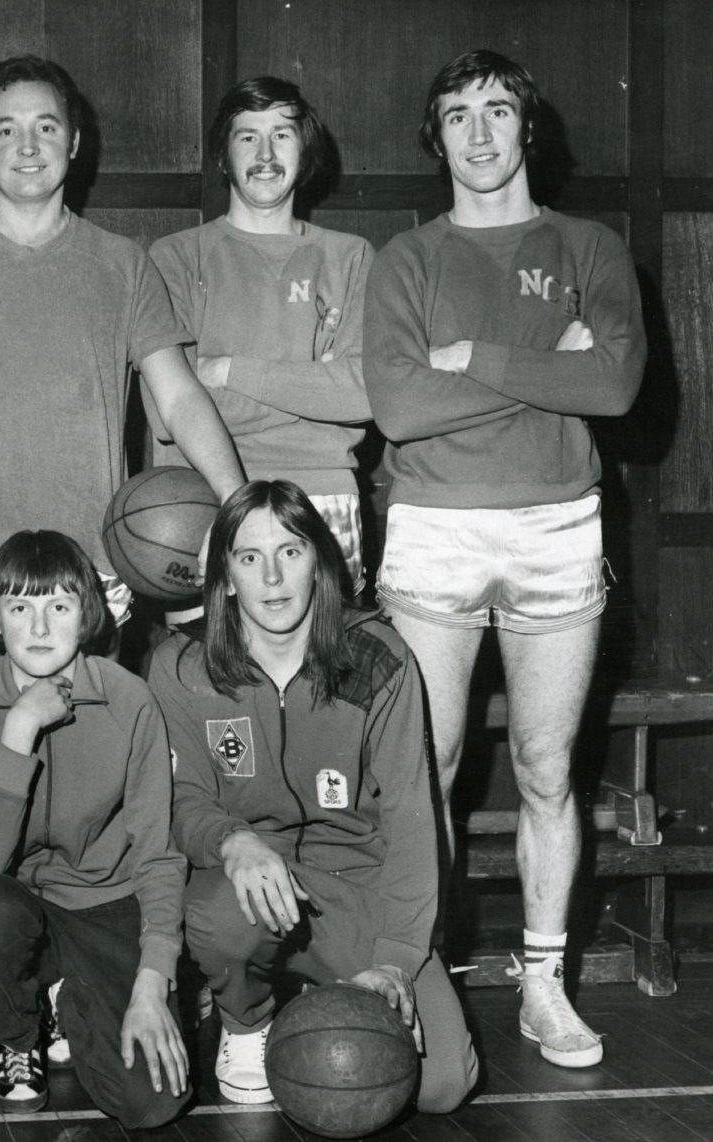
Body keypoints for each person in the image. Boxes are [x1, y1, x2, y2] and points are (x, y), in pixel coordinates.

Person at [363, 50, 646, 1067]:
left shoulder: (591, 246)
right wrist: (547, 368)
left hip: (556, 525)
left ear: (528, 127)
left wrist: (473, 360)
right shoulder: (404, 258)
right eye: (453, 116)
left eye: (494, 112)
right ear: (432, 138)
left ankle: (543, 980)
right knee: (424, 765)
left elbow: (612, 388)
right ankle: (422, 969)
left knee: (543, 767)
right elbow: (396, 405)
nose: (476, 134)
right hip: (436, 525)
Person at [0, 55, 245, 708]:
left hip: (88, 558)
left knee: (85, 777)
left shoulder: (121, 265)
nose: (26, 145)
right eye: (6, 128)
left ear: (73, 142)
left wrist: (239, 507)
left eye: (45, 127)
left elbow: (180, 397)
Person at [148, 480, 479, 1113]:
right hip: (250, 884)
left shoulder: (377, 659)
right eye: (249, 558)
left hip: (355, 890)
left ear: (320, 564)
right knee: (219, 913)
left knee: (440, 1088)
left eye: (291, 552)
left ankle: (323, 985)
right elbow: (180, 798)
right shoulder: (183, 666)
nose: (272, 577)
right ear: (221, 578)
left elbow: (414, 824)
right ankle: (246, 1021)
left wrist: (395, 963)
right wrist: (231, 839)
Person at [0, 530, 189, 1127]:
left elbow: (158, 855)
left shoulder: (130, 701)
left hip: (106, 905)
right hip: (16, 904)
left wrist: (154, 983)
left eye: (59, 606)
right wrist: (18, 732)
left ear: (87, 617)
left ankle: (67, 997)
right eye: (20, 607)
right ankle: (18, 1034)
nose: (41, 627)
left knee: (152, 1103)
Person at [149, 77, 372, 595]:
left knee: (322, 673)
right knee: (209, 671)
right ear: (224, 156)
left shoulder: (351, 256)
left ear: (306, 148)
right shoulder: (175, 258)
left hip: (323, 498)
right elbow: (166, 414)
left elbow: (362, 394)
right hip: (200, 498)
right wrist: (315, 389)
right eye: (247, 136)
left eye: (283, 134)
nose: (266, 153)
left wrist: (226, 372)